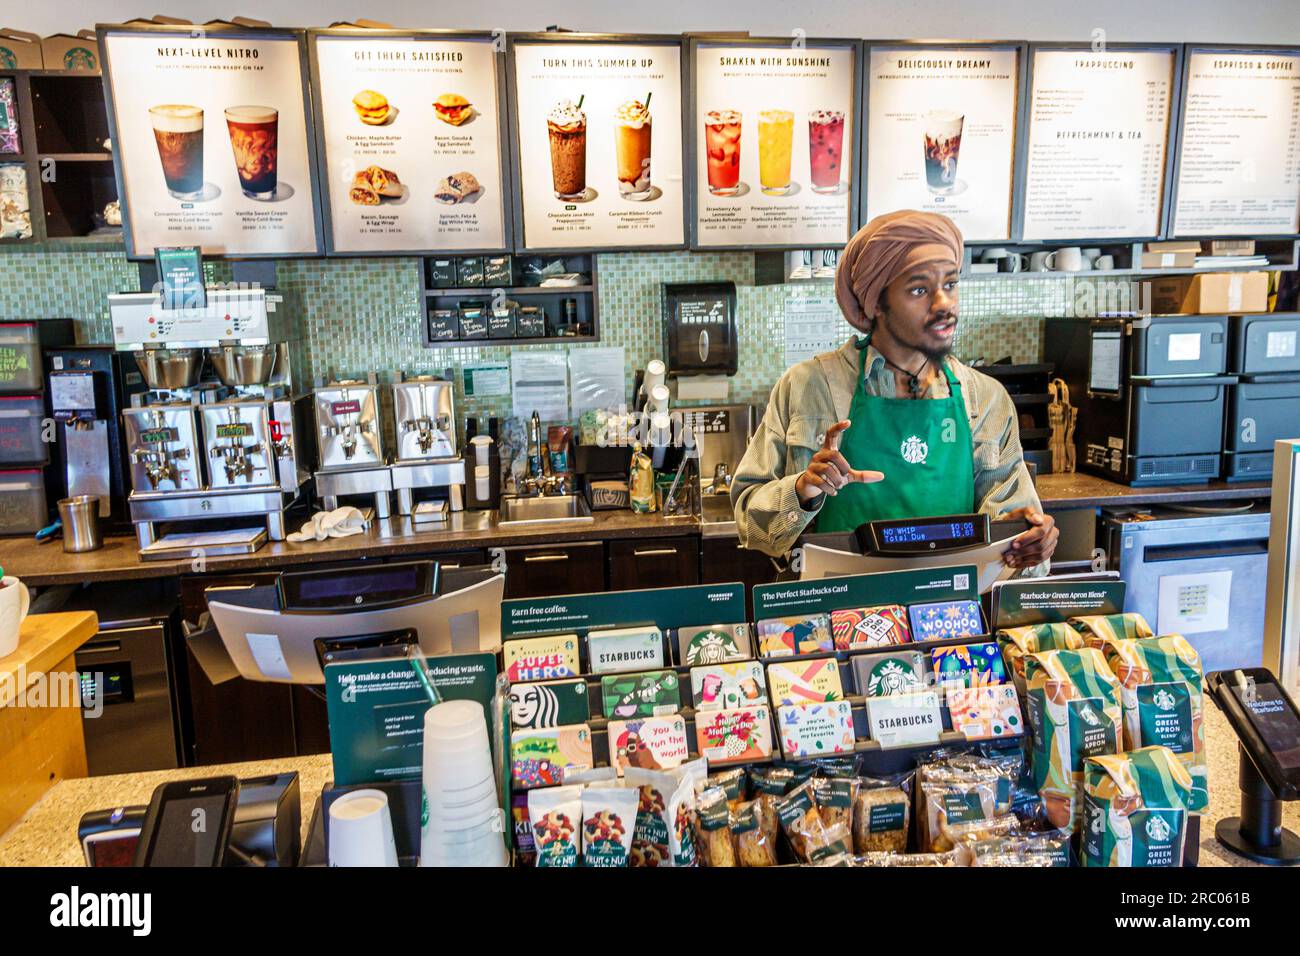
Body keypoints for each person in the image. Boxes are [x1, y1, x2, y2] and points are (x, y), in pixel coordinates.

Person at [731, 209, 1058, 572]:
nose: (944, 305)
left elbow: (1012, 529)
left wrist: (1027, 541)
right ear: (877, 302)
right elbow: (750, 521)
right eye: (920, 290)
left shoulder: (984, 399)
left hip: (943, 617)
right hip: (834, 616)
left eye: (949, 285)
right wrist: (802, 492)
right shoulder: (810, 386)